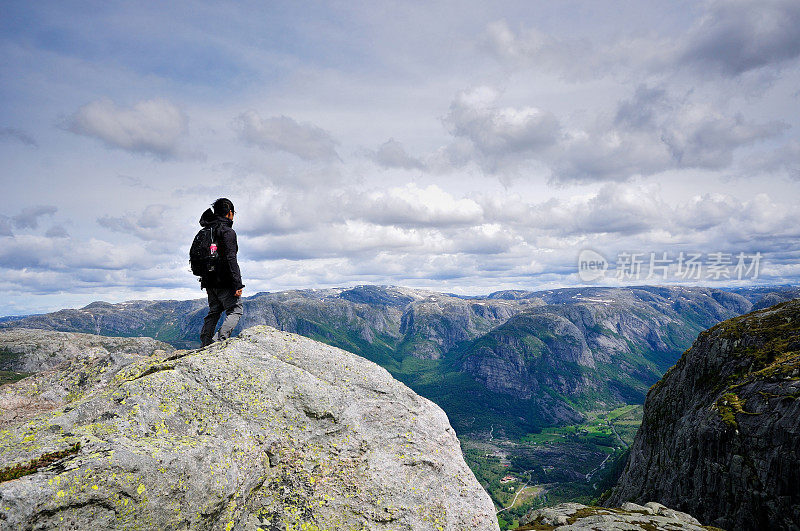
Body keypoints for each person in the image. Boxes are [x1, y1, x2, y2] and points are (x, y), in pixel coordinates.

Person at [199, 198, 244, 347]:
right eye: (233, 213)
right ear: (230, 213)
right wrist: (237, 283)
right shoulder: (227, 232)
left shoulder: (206, 230)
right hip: (223, 280)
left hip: (208, 280)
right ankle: (219, 341)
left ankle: (205, 342)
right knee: (236, 309)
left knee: (214, 311)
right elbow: (231, 258)